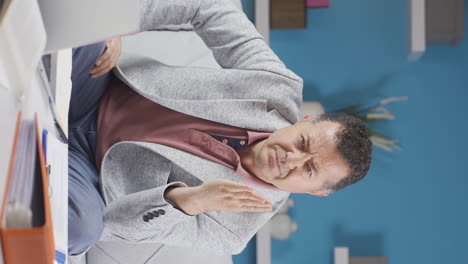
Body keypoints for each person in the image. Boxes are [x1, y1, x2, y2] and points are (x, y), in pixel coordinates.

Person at [68, 0, 372, 256]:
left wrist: (189, 201)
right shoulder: (276, 87)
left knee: (82, 229)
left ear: (316, 193)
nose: (290, 159)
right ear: (303, 121)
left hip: (88, 174)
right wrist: (118, 23)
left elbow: (115, 226)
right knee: (90, 26)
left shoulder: (233, 230)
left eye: (309, 170)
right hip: (97, 87)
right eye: (303, 143)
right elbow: (211, 6)